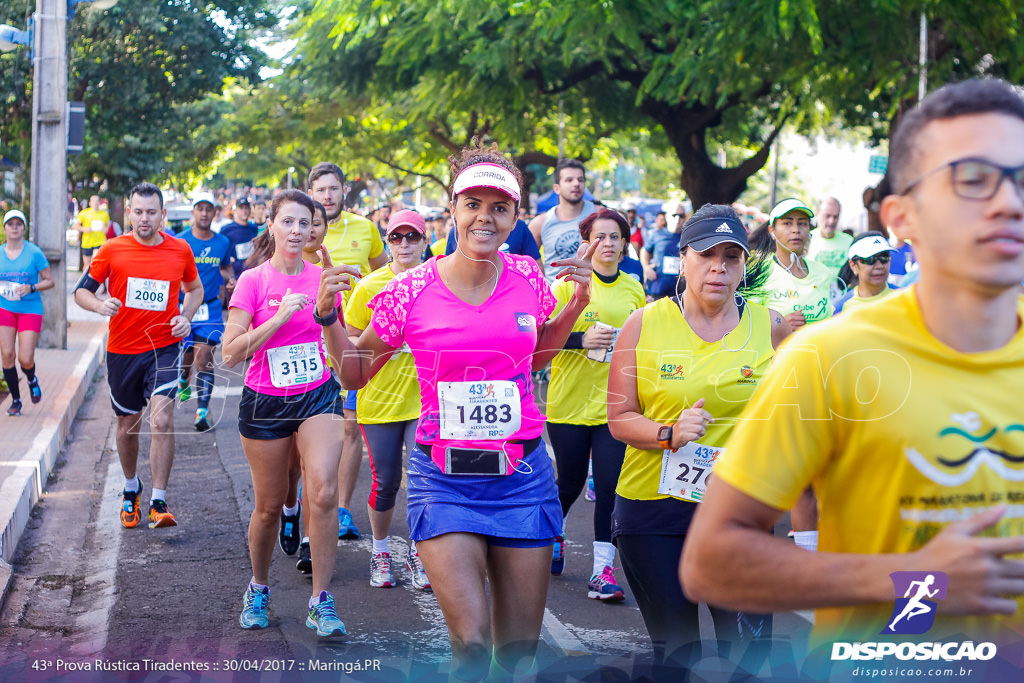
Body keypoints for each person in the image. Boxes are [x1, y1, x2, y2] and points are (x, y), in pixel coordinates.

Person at [682, 78, 1024, 648]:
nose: (1008, 202)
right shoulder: (830, 355)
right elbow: (711, 562)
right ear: (902, 217)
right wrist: (919, 581)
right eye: (973, 180)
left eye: (1021, 179)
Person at [321, 141, 598, 681]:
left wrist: (577, 305)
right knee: (470, 645)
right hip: (444, 477)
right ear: (451, 210)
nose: (485, 217)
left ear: (516, 216)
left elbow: (537, 355)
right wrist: (330, 317)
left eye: (500, 207)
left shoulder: (528, 275)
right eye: (473, 203)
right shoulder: (410, 289)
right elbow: (353, 374)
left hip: (521, 476)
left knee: (518, 653)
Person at [607, 204, 789, 679]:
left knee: (748, 658)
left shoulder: (771, 327)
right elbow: (620, 419)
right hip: (654, 511)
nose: (719, 267)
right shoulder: (643, 324)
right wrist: (669, 433)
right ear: (683, 257)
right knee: (678, 658)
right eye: (707, 254)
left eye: (732, 257)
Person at [222, 189, 347, 638]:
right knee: (270, 507)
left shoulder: (322, 277)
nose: (298, 231)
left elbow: (341, 355)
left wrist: (327, 313)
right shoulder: (253, 281)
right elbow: (230, 354)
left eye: (306, 223)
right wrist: (275, 320)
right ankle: (258, 586)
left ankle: (321, 600)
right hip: (265, 403)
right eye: (288, 222)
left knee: (325, 491)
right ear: (271, 226)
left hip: (317, 396)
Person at [74, 183, 203, 529]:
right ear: (128, 213)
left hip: (162, 348)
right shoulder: (112, 250)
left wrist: (185, 317)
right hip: (122, 352)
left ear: (162, 214)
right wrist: (101, 305)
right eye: (138, 211)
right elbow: (81, 293)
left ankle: (159, 500)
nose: (144, 219)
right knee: (127, 426)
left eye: (151, 212)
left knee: (161, 420)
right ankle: (132, 487)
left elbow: (195, 289)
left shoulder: (180, 250)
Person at [545, 207, 645, 600]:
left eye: (615, 237)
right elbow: (542, 342)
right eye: (599, 237)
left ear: (624, 244)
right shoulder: (565, 285)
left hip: (615, 405)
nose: (607, 244)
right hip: (569, 403)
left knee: (609, 486)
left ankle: (603, 571)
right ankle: (555, 531)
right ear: (586, 243)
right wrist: (581, 340)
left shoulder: (634, 289)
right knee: (568, 483)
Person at [344, 209, 430, 590]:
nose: (405, 244)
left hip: (425, 399)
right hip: (379, 400)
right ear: (388, 241)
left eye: (413, 237)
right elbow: (350, 346)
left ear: (425, 241)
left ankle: (418, 552)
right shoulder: (369, 287)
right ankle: (380, 552)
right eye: (397, 237)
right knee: (387, 481)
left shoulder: (436, 282)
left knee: (424, 479)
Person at [308, 161, 388, 540]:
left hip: (351, 343)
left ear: (343, 190)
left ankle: (341, 510)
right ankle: (304, 507)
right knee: (310, 433)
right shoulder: (301, 229)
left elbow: (383, 276)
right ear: (312, 193)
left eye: (333, 189)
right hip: (308, 344)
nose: (328, 196)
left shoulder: (366, 228)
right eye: (320, 190)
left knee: (350, 429)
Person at [176, 193, 234, 431]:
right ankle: (183, 377)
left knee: (204, 356)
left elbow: (226, 266)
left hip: (209, 307)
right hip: (185, 307)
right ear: (193, 212)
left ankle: (202, 410)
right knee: (187, 354)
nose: (204, 213)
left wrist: (231, 279)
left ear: (214, 212)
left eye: (208, 209)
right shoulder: (180, 240)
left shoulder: (222, 242)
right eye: (199, 208)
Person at [749, 198, 835, 331]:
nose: (796, 230)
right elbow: (747, 327)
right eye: (787, 223)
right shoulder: (759, 272)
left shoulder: (823, 272)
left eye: (802, 224)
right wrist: (780, 326)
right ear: (772, 231)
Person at [1, 209, 54, 416]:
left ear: (24, 228)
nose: (14, 227)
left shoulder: (34, 252)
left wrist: (31, 287)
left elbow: (50, 281)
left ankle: (31, 379)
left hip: (30, 309)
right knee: (7, 355)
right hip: (4, 308)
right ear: (5, 228)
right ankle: (16, 400)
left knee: (25, 358)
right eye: (10, 224)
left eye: (18, 224)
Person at [529, 158, 596, 284]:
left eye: (580, 180)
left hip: (593, 295)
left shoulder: (599, 214)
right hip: (555, 298)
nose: (576, 184)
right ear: (556, 188)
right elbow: (528, 263)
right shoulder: (540, 223)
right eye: (569, 180)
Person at [833, 231, 898, 314]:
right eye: (870, 260)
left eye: (884, 257)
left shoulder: (906, 297)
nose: (879, 266)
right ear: (853, 265)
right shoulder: (841, 308)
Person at [805, 197, 853, 281]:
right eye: (827, 216)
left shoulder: (850, 241)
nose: (831, 221)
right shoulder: (806, 239)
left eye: (835, 217)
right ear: (817, 214)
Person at [640, 210, 680, 300]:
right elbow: (644, 250)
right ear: (667, 217)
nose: (677, 219)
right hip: (658, 287)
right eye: (674, 215)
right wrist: (646, 267)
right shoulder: (657, 234)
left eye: (681, 216)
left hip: (680, 290)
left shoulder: (687, 235)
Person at [222, 198, 259, 281]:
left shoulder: (254, 228)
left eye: (246, 208)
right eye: (241, 208)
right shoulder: (226, 229)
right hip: (234, 276)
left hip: (252, 273)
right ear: (236, 210)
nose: (244, 211)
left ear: (250, 210)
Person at [75, 195, 110, 274]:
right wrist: (84, 229)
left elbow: (107, 225)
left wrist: (106, 229)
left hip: (100, 242)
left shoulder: (104, 214)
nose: (95, 203)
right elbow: (75, 225)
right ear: (90, 203)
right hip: (87, 243)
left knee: (98, 264)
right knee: (87, 265)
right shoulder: (84, 213)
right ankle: (85, 283)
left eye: (97, 201)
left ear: (99, 202)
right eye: (93, 201)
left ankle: (101, 284)